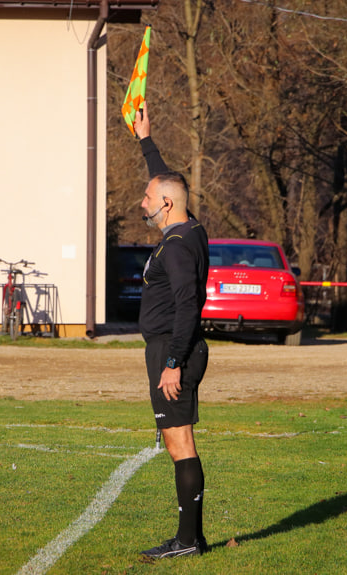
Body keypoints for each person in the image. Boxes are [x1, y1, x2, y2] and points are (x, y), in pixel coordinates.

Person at [133, 104, 210, 559]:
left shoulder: (178, 248)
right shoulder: (189, 227)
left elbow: (188, 308)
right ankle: (189, 538)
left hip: (173, 350)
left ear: (164, 205)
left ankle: (188, 541)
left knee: (180, 443)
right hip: (169, 350)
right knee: (177, 442)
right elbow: (168, 182)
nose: (142, 203)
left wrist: (172, 363)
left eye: (146, 198)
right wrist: (146, 139)